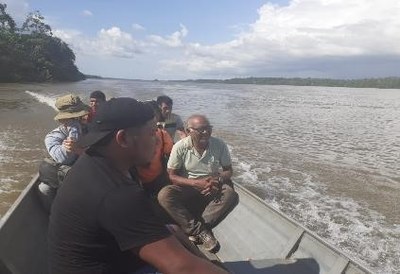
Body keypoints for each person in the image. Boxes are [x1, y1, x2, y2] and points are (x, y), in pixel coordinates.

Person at [48, 98, 227, 274]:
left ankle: (210, 264)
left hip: (108, 256)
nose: (157, 141)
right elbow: (181, 268)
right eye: (151, 132)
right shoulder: (117, 193)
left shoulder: (94, 162)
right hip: (107, 267)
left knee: (172, 229)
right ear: (123, 138)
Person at [158, 114, 239, 253]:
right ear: (189, 131)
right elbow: (171, 175)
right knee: (164, 195)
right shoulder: (180, 147)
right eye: (201, 130)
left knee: (231, 194)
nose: (206, 132)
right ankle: (201, 231)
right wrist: (195, 183)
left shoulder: (219, 145)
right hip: (188, 186)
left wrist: (218, 179)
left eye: (208, 128)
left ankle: (198, 231)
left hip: (211, 185)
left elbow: (228, 171)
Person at [37, 94, 89, 212]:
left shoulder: (90, 129)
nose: (78, 120)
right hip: (66, 178)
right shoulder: (52, 137)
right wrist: (74, 131)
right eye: (73, 118)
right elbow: (65, 159)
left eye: (79, 117)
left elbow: (102, 156)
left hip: (89, 176)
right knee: (44, 188)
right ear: (62, 120)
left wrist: (79, 150)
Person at [136, 100, 173, 196]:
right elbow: (169, 152)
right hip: (155, 178)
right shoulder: (162, 133)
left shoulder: (129, 134)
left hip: (136, 179)